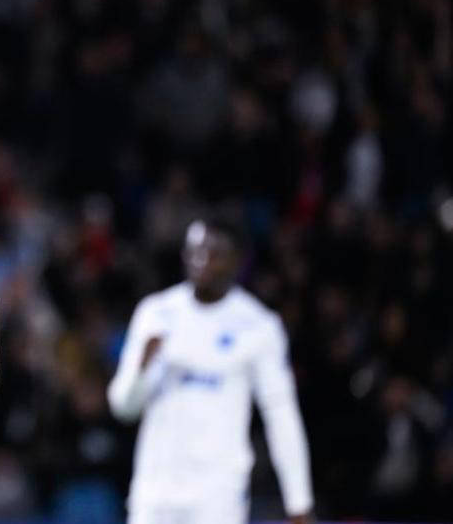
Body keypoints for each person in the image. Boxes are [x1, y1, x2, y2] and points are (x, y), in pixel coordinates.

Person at [107, 217, 314, 524]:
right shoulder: (156, 313)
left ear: (238, 261)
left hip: (217, 495)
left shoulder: (258, 326)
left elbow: (280, 414)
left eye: (214, 254)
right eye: (195, 251)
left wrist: (299, 502)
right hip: (155, 490)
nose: (201, 260)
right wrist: (141, 369)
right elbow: (123, 408)